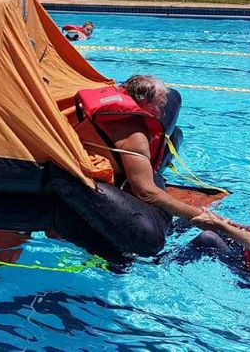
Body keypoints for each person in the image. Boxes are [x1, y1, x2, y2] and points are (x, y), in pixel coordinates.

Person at [74, 75, 205, 252]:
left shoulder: (113, 112)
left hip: (110, 165)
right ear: (143, 101)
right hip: (97, 186)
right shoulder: (134, 134)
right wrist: (199, 215)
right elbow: (146, 192)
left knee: (174, 136)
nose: (163, 113)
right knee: (154, 234)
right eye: (160, 106)